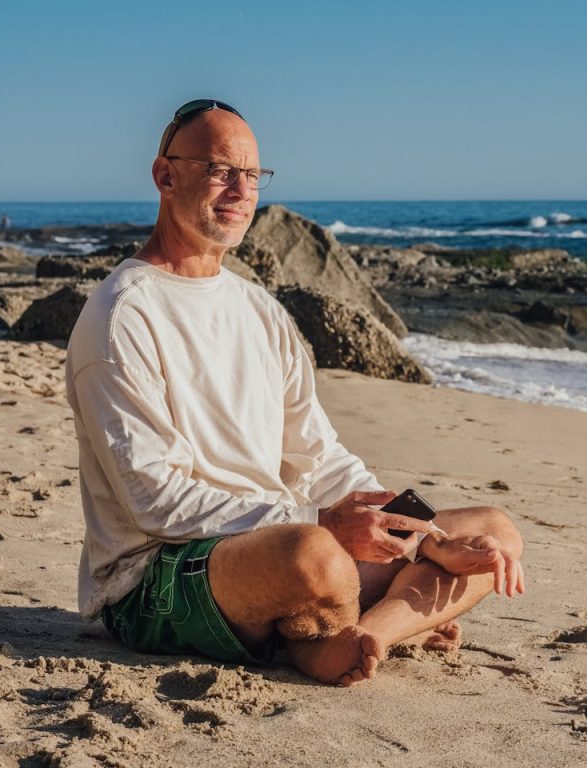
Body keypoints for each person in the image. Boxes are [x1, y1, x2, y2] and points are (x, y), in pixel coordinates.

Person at [65, 99, 525, 687]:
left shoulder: (261, 310)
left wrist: (416, 530)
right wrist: (325, 524)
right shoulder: (122, 314)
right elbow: (153, 500)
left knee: (492, 531)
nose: (239, 189)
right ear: (165, 175)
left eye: (252, 174)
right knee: (315, 557)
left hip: (284, 532)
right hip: (159, 572)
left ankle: (362, 637)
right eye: (218, 169)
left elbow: (319, 455)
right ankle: (342, 624)